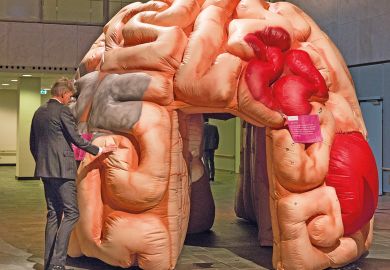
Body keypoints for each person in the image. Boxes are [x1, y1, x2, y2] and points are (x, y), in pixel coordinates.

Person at [29, 77, 116, 270]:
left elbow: (33, 144)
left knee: (53, 214)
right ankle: (58, 263)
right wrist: (99, 150)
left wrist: (44, 164)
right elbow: (75, 138)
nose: (70, 99)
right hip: (63, 171)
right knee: (72, 213)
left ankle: (49, 262)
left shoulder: (38, 112)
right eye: (69, 95)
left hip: (46, 171)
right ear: (63, 93)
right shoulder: (62, 111)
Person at [203, 117, 219, 181]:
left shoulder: (202, 127)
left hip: (204, 147)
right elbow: (217, 138)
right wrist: (216, 145)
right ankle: (212, 176)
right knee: (212, 161)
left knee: (206, 162)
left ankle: (207, 176)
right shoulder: (214, 127)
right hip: (212, 147)